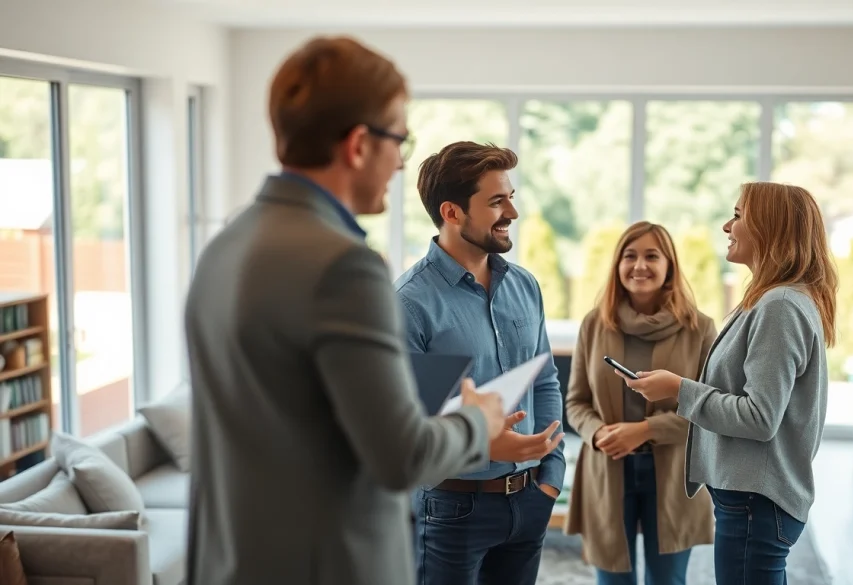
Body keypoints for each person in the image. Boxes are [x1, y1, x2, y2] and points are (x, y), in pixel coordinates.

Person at [183, 37, 505, 585]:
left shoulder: (224, 245)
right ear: (359, 144)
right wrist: (479, 420)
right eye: (399, 139)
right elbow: (401, 457)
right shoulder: (344, 267)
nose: (402, 161)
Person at [618, 182, 838, 585]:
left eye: (737, 216)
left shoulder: (780, 307)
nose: (726, 226)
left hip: (756, 501)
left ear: (769, 228)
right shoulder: (776, 299)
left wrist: (678, 389)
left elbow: (759, 417)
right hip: (754, 500)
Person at [395, 141, 566, 585]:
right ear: (452, 212)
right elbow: (406, 426)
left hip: (529, 500)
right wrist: (483, 446)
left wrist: (550, 475)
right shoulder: (409, 304)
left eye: (510, 196)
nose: (512, 211)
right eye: (496, 201)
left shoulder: (524, 285)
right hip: (451, 508)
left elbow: (544, 380)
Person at [564, 221, 716, 585]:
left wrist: (646, 430)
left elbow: (710, 409)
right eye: (629, 256)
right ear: (617, 265)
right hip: (607, 469)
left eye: (652, 256)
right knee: (612, 579)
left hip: (675, 473)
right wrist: (598, 432)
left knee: (667, 581)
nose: (639, 266)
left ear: (670, 266)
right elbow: (576, 402)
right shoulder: (594, 325)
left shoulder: (700, 329)